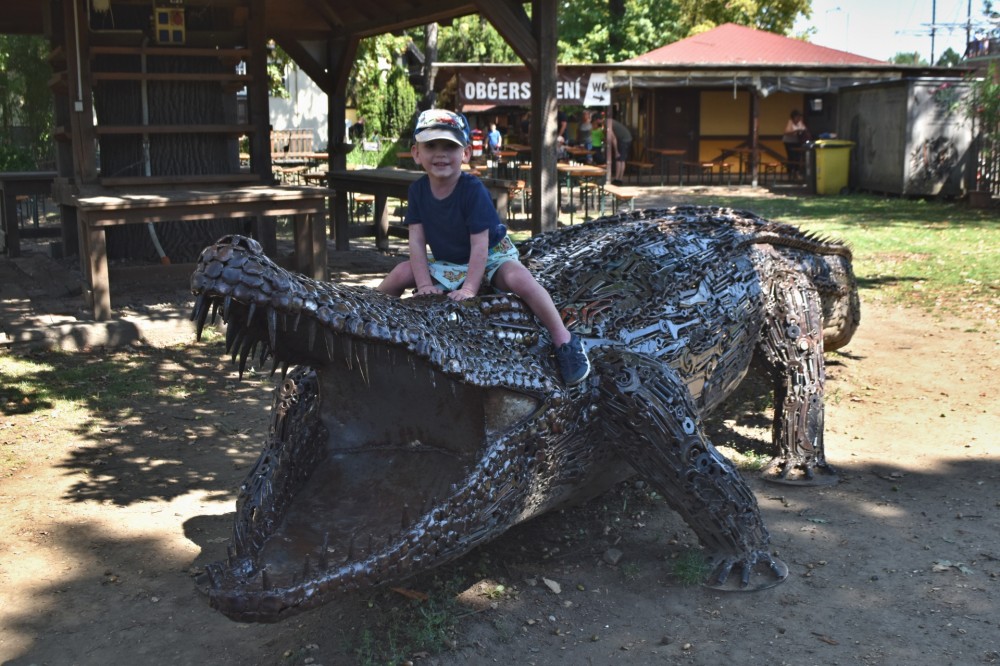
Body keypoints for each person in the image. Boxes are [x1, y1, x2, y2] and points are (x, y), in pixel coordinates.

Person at [378, 109, 591, 386]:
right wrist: (424, 284)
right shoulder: (418, 191)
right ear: (416, 153)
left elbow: (479, 245)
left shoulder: (472, 190)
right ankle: (371, 319)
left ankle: (564, 339)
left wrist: (469, 288)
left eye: (449, 146)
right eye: (431, 146)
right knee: (399, 273)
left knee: (519, 278)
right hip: (451, 262)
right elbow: (416, 241)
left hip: (491, 255)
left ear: (466, 153)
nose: (440, 154)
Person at [782, 110, 810, 179]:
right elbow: (786, 132)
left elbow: (805, 129)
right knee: (792, 156)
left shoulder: (800, 122)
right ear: (793, 117)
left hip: (797, 141)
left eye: (800, 117)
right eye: (797, 117)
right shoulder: (790, 122)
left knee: (798, 157)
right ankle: (791, 172)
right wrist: (796, 131)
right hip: (789, 141)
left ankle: (797, 172)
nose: (798, 119)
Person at [606, 115, 632, 185]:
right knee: (622, 160)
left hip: (623, 140)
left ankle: (617, 179)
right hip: (627, 138)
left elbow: (613, 138)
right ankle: (619, 179)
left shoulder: (608, 124)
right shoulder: (611, 121)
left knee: (619, 159)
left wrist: (616, 151)